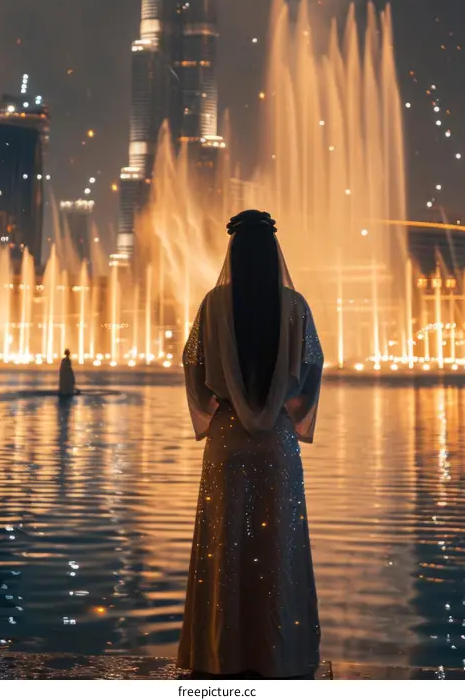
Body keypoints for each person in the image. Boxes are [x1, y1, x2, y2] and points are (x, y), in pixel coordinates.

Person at [177, 209, 323, 679]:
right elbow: (314, 366)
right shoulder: (295, 306)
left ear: (234, 254)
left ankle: (223, 658)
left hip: (227, 443)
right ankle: (275, 657)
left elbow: (192, 365)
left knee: (225, 550)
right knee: (277, 547)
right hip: (276, 445)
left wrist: (218, 405)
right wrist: (287, 407)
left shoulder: (213, 305)